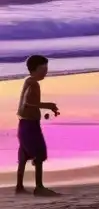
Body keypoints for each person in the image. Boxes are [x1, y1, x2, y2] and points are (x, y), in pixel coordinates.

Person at [16, 55, 59, 196]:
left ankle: (19, 186)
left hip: (23, 123)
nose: (46, 71)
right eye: (43, 68)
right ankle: (39, 187)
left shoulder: (28, 81)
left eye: (46, 68)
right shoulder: (34, 83)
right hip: (29, 124)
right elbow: (29, 103)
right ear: (34, 69)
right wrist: (49, 105)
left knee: (23, 154)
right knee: (39, 153)